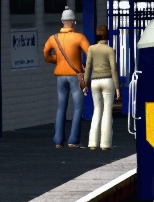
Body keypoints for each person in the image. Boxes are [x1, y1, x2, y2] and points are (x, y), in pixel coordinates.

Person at [44, 8, 90, 148]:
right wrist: (84, 67)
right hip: (75, 76)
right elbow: (90, 54)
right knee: (77, 108)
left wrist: (56, 60)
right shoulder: (79, 37)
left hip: (60, 77)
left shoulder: (53, 38)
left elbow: (46, 54)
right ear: (73, 22)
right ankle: (73, 140)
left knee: (61, 108)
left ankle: (58, 140)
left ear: (62, 22)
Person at [85, 25, 119, 150]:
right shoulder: (110, 50)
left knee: (97, 110)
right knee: (107, 111)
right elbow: (113, 69)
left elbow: (88, 67)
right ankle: (105, 144)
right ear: (107, 35)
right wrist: (117, 87)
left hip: (95, 81)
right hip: (108, 81)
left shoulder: (91, 49)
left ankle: (92, 143)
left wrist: (86, 84)